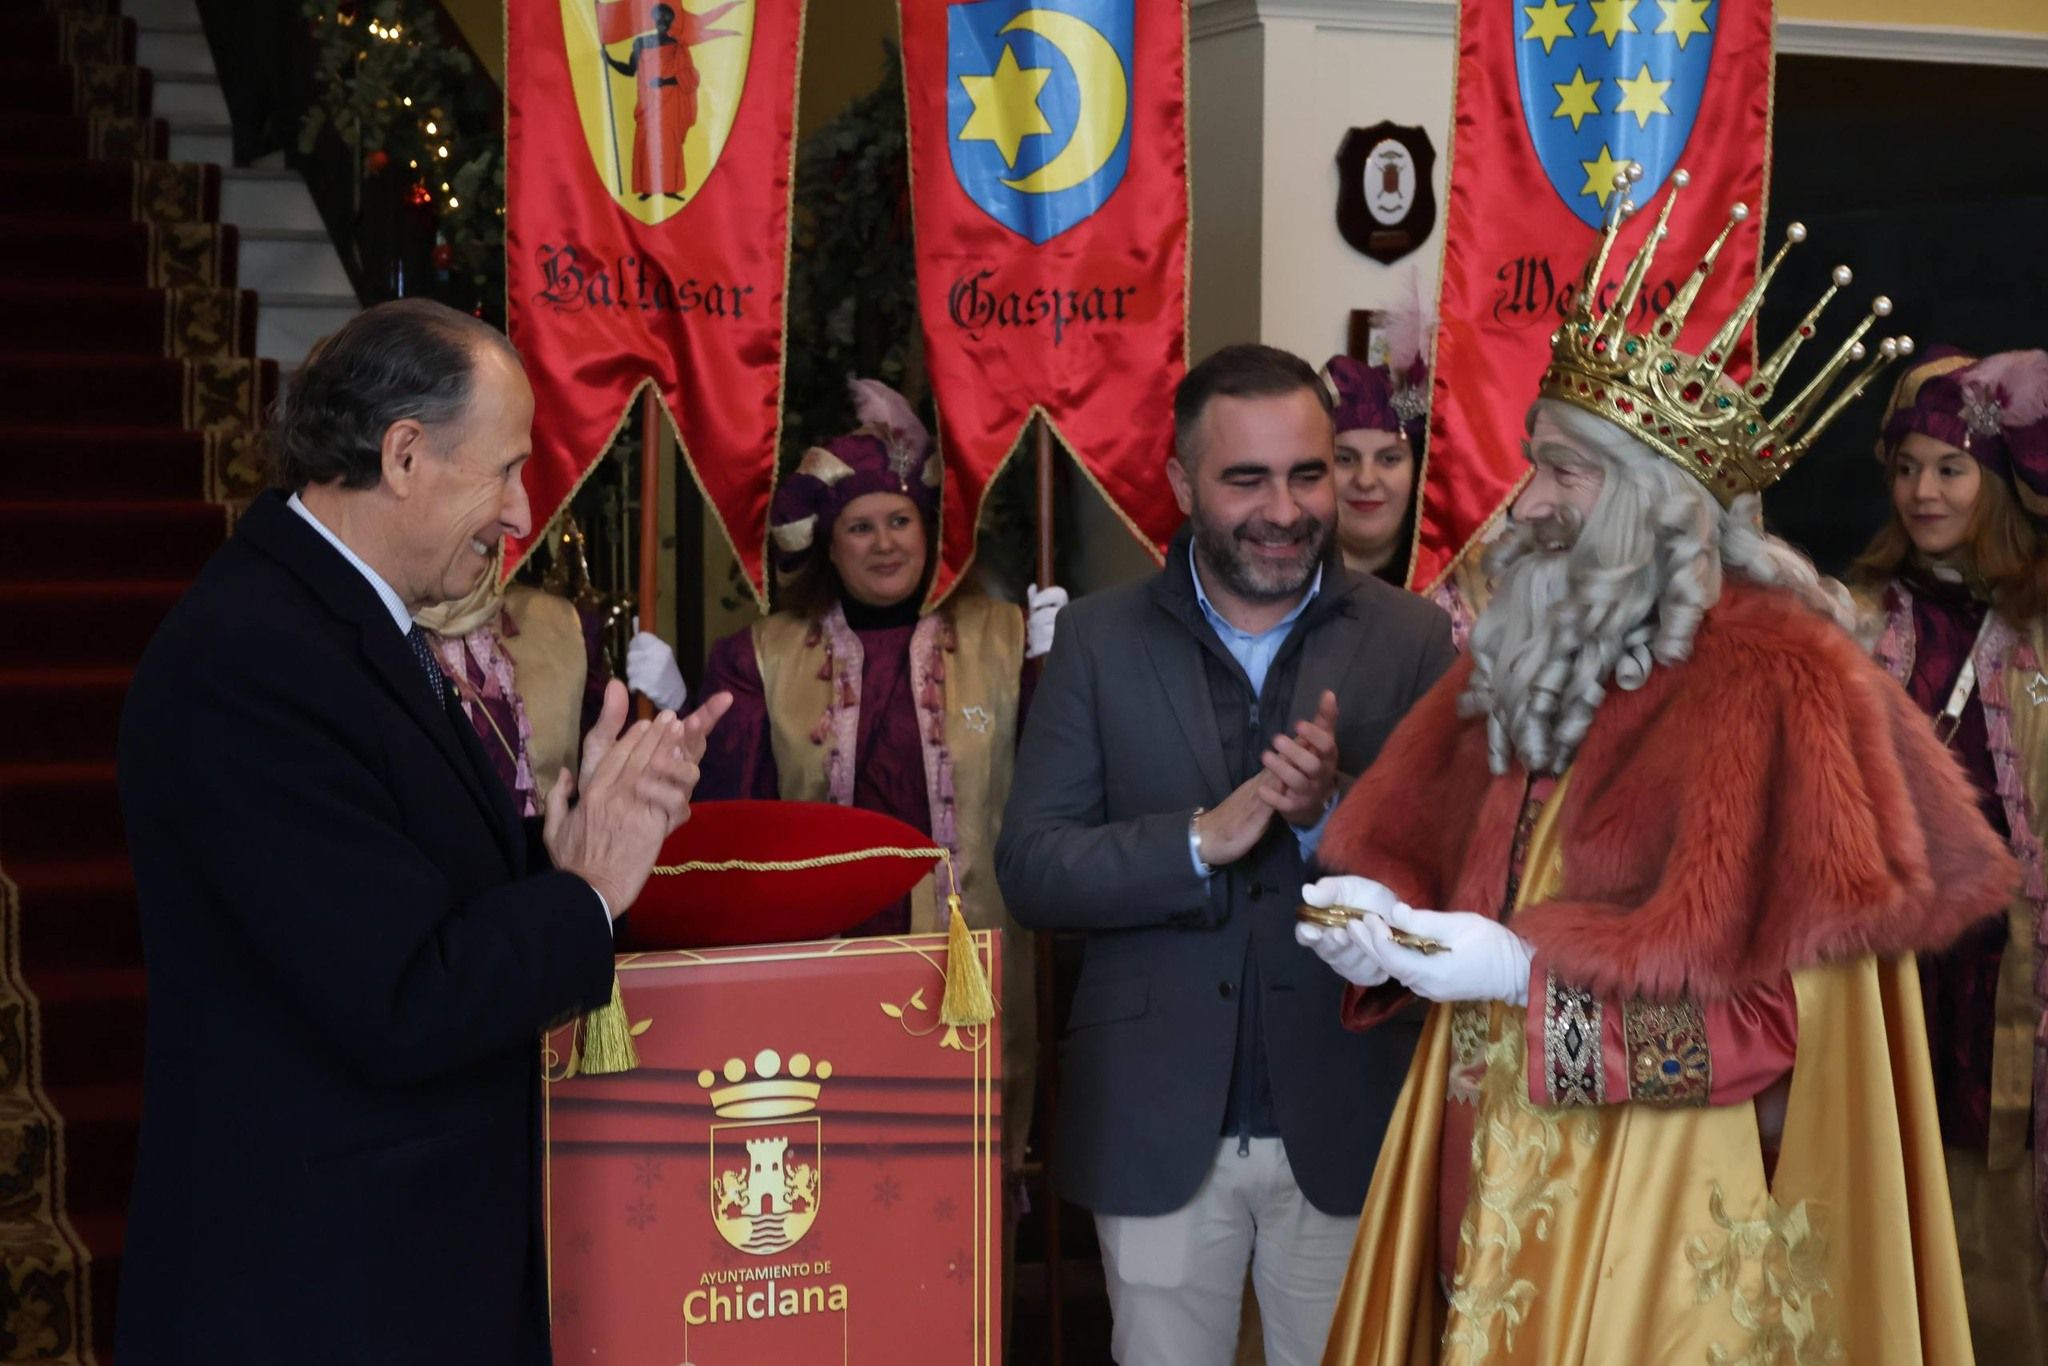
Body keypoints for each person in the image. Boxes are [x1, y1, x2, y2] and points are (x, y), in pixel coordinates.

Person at [1297, 185, 2010, 1364]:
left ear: (1655, 503)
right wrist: (1383, 920)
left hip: (1653, 1232)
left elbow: (1775, 1029)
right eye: (1534, 466)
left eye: (1564, 475)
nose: (1523, 505)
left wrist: (1523, 974)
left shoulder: (1782, 690)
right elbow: (1428, 850)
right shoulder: (1533, 646)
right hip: (1480, 1185)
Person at [114, 299, 730, 1364]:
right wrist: (582, 892)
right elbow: (401, 995)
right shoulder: (254, 659)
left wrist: (574, 845)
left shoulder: (334, 622)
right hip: (320, 1295)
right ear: (402, 454)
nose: (518, 509)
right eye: (503, 469)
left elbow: (413, 895)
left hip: (398, 1277)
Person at [996, 343, 1455, 1366]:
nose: (1283, 508)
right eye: (1245, 478)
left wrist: (1322, 818)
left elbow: (1457, 880)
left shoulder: (1413, 640)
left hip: (1348, 1112)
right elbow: (1029, 867)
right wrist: (1201, 839)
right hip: (1153, 1121)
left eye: (1306, 473)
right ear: (1179, 483)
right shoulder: (1098, 640)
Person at [695, 377, 1063, 1164]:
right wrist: (680, 726)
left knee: (964, 1188)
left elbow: (1057, 792)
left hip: (975, 967)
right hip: (826, 974)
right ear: (828, 546)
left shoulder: (1008, 637)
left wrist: (1061, 673)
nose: (885, 542)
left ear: (930, 530)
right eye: (860, 527)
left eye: (900, 520)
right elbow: (738, 833)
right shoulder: (760, 657)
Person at [1850, 344, 2048, 1353]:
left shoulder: (2037, 620)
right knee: (1893, 1191)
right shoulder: (1854, 620)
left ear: (1996, 476)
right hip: (1893, 973)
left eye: (1948, 466)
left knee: (2006, 1219)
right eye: (1904, 467)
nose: (1921, 490)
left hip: (2017, 982)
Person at [415, 537, 686, 819]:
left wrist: (665, 709)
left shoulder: (556, 623)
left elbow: (618, 758)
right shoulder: (376, 626)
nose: (518, 520)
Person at [603, 1, 742, 201]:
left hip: (669, 104)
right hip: (647, 104)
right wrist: (608, 60)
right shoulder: (641, 44)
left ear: (669, 24)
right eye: (659, 19)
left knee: (669, 143)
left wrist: (665, 80)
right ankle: (647, 189)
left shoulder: (678, 47)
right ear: (653, 20)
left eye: (665, 20)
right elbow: (629, 70)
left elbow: (690, 76)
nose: (662, 23)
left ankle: (670, 188)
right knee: (646, 142)